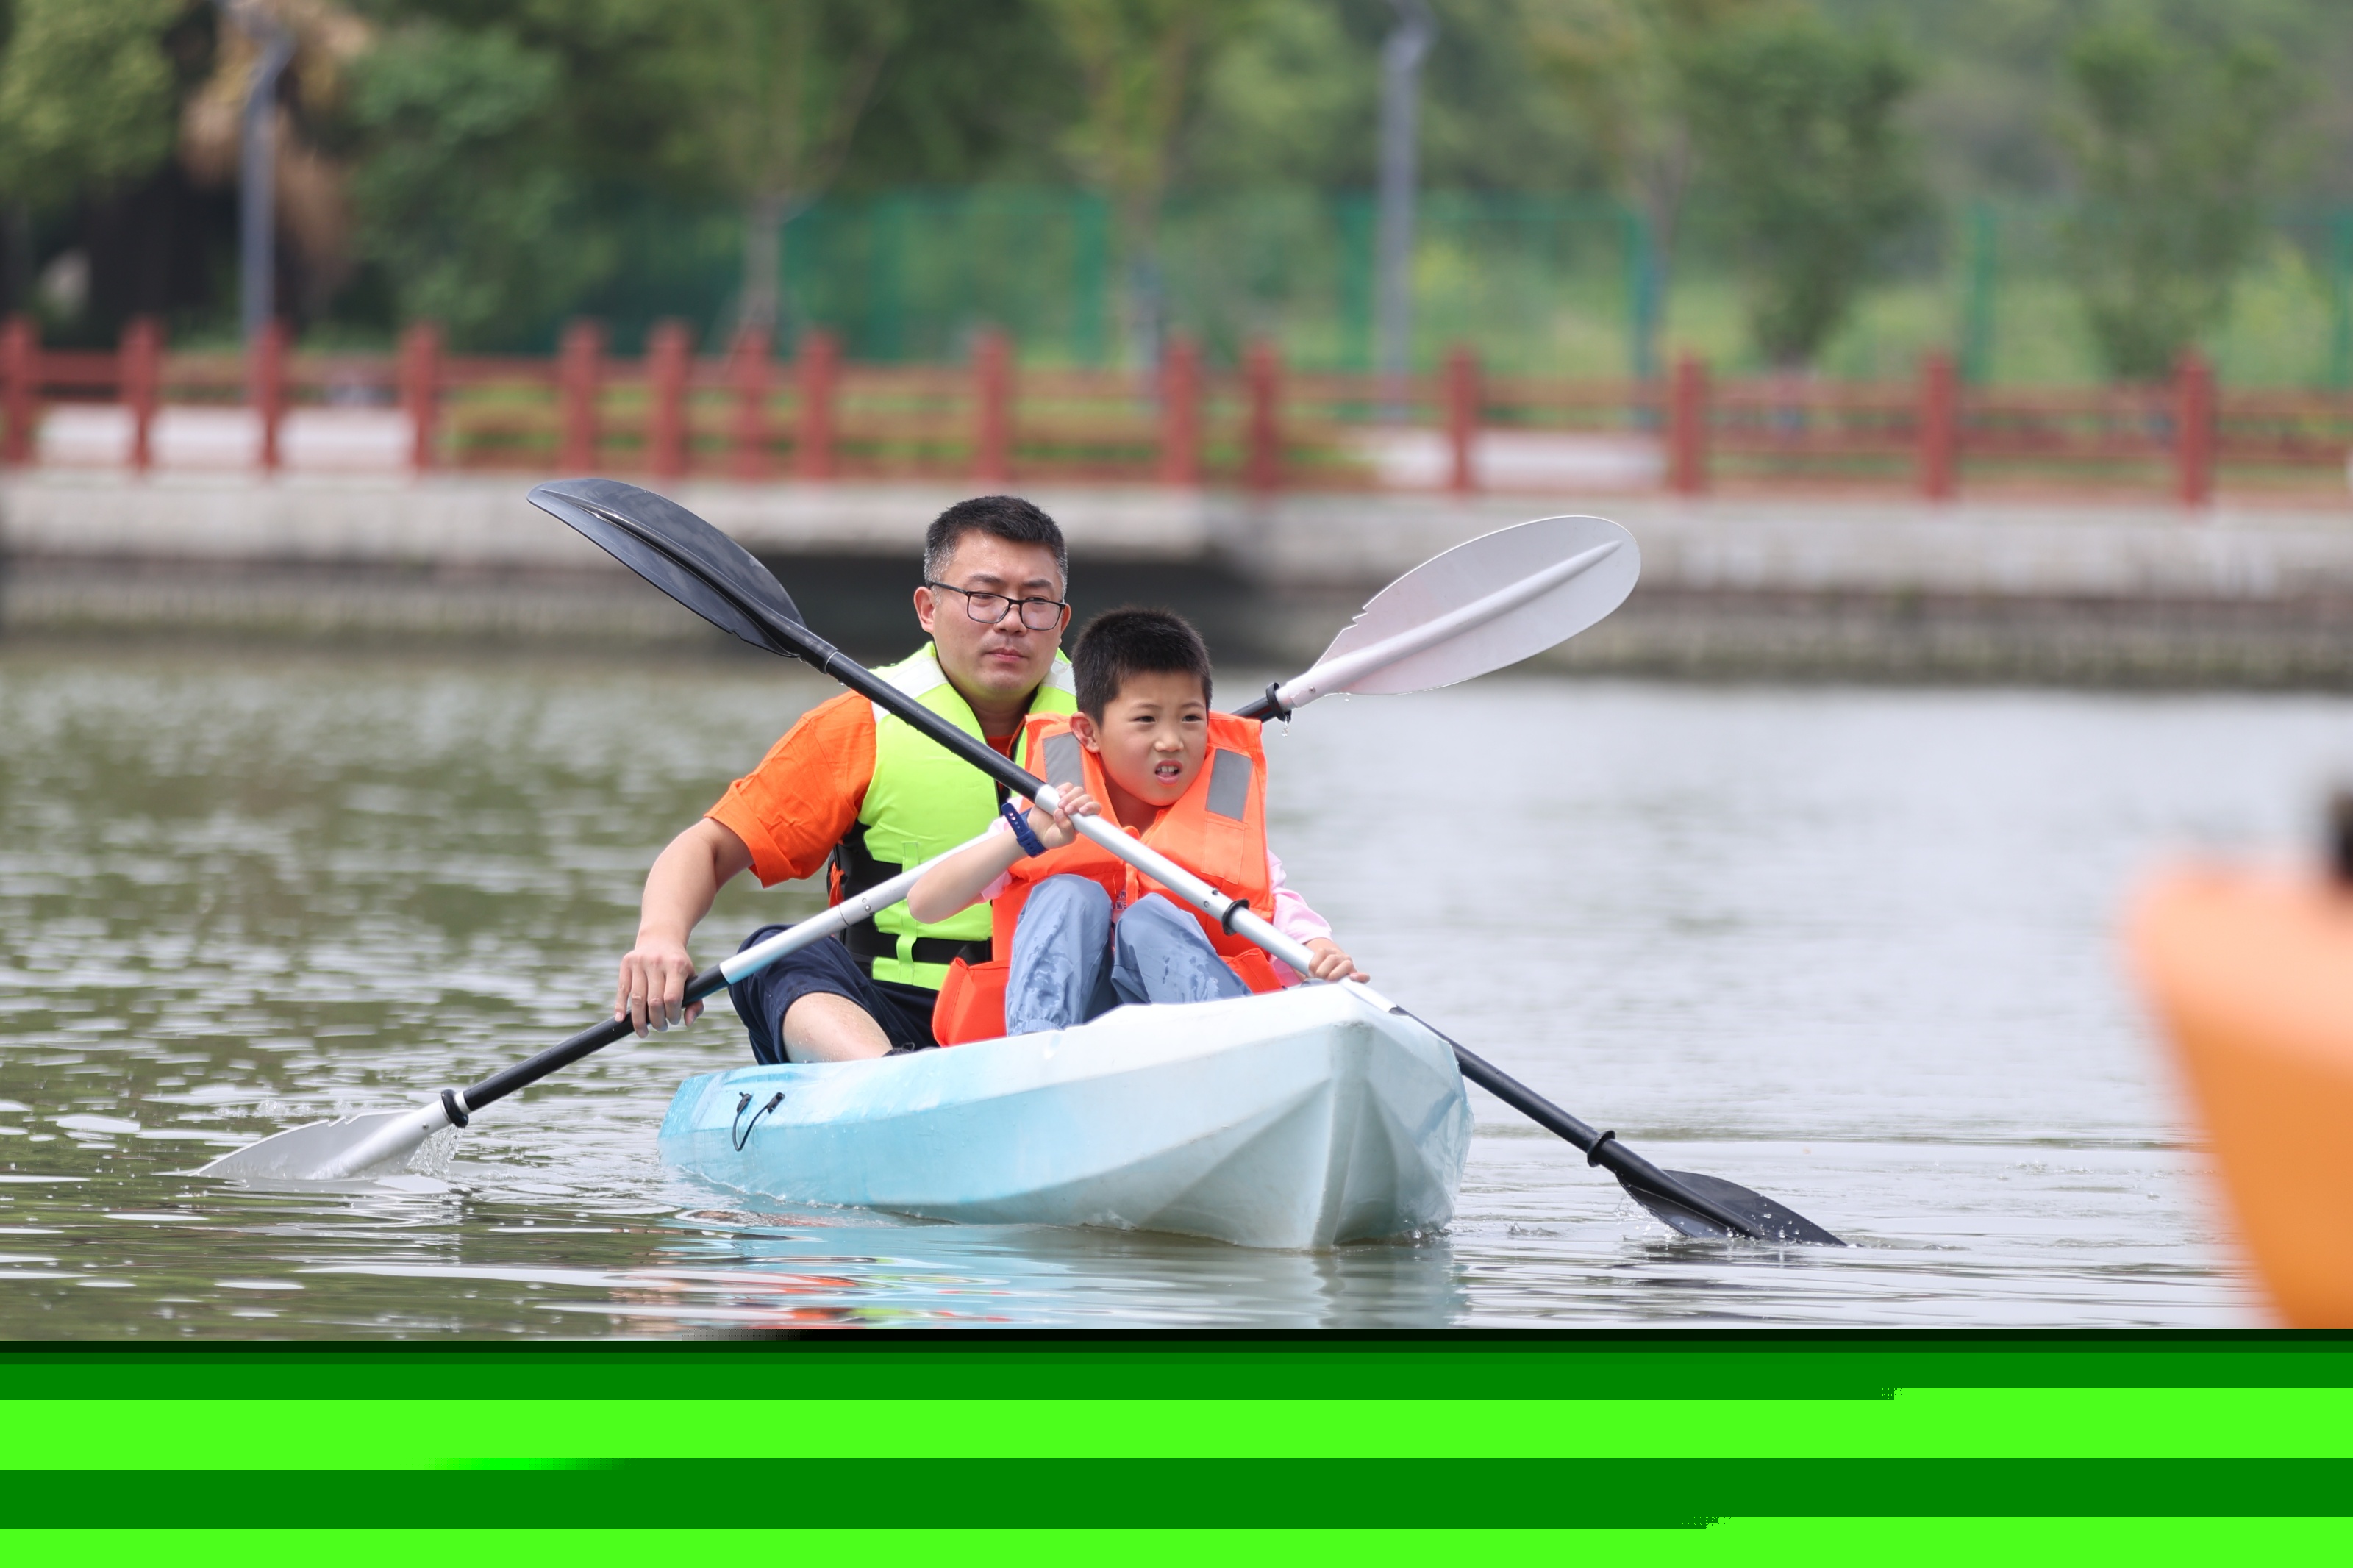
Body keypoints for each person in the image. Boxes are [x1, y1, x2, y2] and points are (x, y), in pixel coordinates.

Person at [613, 495, 1079, 1062]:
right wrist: (660, 936)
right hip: (896, 1014)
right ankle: (884, 1075)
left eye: (1036, 602)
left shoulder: (1121, 723)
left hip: (1069, 1009)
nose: (1011, 620)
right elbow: (706, 848)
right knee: (775, 952)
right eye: (984, 597)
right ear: (928, 608)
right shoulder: (861, 725)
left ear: (1062, 621)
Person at [910, 606, 1365, 1043]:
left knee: (1149, 919)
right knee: (1069, 893)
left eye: (1190, 719)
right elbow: (924, 904)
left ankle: (1227, 1052)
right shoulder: (1046, 816)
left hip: (1183, 1037)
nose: (1171, 741)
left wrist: (1320, 953)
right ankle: (1036, 1047)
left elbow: (1293, 928)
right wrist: (1023, 835)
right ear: (1088, 732)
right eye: (1146, 720)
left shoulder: (1228, 836)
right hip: (1062, 1034)